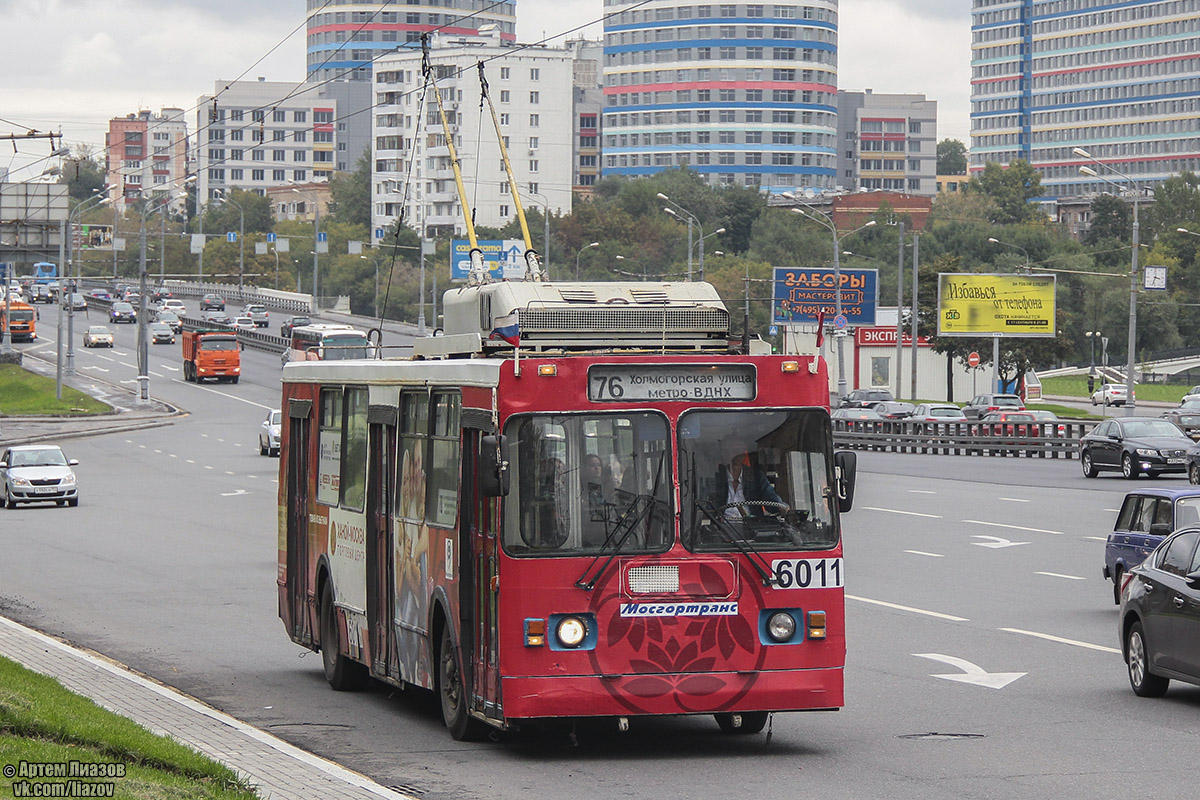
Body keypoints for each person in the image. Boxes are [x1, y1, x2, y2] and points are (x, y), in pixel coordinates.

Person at [710, 437, 785, 519]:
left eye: (741, 449)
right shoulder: (715, 477)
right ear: (724, 453)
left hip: (752, 525)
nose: (738, 453)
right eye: (733, 449)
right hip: (722, 527)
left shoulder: (756, 476)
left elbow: (770, 498)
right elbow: (708, 504)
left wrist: (781, 507)